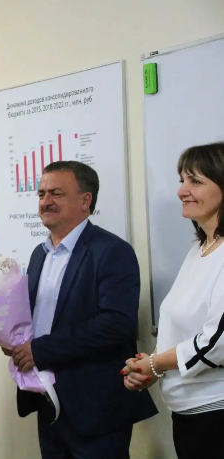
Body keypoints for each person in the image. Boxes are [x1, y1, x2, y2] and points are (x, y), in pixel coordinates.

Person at [8, 161, 157, 459]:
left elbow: (117, 324)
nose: (46, 202)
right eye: (41, 194)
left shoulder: (112, 251)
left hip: (96, 407)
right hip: (47, 401)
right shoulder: (39, 254)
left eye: (56, 193)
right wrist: (15, 341)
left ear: (85, 200)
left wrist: (41, 350)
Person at [123, 142, 224, 459]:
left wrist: (155, 363)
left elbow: (217, 342)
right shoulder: (201, 249)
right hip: (189, 414)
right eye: (182, 180)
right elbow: (183, 329)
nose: (182, 191)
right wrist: (151, 366)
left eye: (196, 181)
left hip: (215, 414)